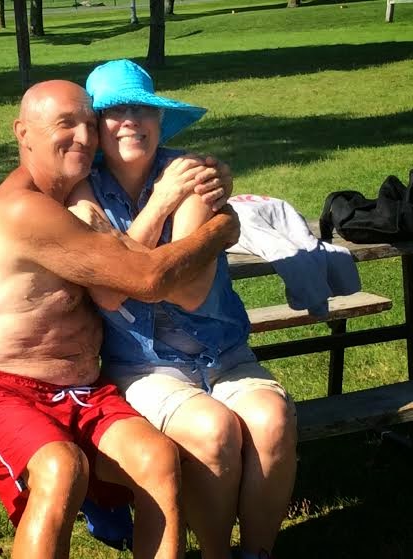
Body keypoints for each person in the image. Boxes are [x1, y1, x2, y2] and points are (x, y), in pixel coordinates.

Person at [0, 79, 240, 559]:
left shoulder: (78, 197)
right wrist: (224, 226)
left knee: (158, 459)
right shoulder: (23, 208)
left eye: (88, 124)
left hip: (82, 390)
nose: (83, 137)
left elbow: (125, 261)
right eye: (65, 124)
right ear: (23, 132)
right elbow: (147, 278)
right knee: (61, 468)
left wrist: (214, 179)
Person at [67, 59, 298, 559]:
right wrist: (160, 206)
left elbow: (189, 291)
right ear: (96, 127)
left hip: (222, 353)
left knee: (273, 419)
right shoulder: (83, 193)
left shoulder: (191, 174)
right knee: (214, 431)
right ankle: (216, 553)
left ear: (159, 119)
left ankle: (257, 553)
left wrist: (128, 261)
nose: (131, 120)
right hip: (142, 365)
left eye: (142, 109)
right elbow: (107, 295)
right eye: (115, 111)